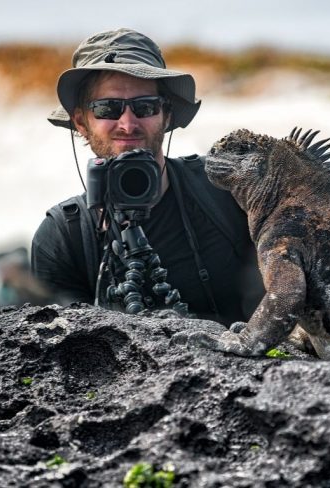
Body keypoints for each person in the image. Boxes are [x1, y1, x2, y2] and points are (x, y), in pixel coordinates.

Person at [31, 28, 264, 325]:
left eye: (145, 107)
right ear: (80, 121)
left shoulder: (227, 190)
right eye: (108, 108)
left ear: (166, 115)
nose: (128, 124)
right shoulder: (63, 237)